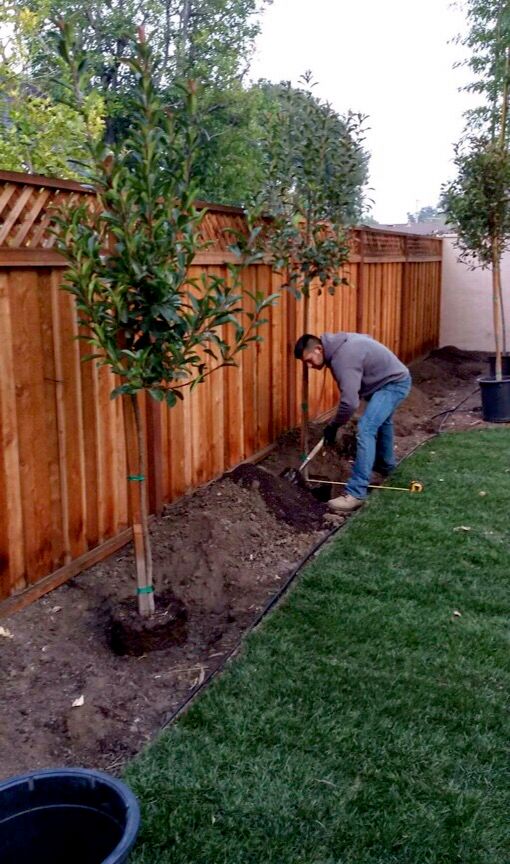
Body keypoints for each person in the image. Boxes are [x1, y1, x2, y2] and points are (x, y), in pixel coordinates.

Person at [294, 332, 412, 513]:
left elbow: (349, 403)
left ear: (318, 349)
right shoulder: (339, 346)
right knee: (382, 423)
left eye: (309, 360)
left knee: (366, 429)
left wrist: (333, 426)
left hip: (394, 383)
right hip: (385, 382)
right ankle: (386, 467)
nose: (309, 366)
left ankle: (356, 493)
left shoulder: (343, 357)